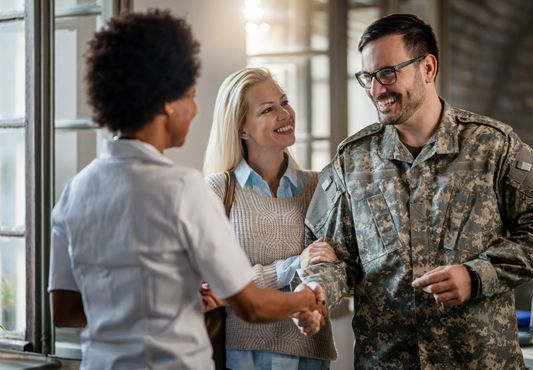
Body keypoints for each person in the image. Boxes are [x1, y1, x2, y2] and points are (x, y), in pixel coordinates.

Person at [47, 11, 326, 370]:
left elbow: (65, 311)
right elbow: (251, 305)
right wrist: (304, 298)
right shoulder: (183, 189)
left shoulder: (74, 191)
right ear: (167, 101)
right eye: (191, 96)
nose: (194, 110)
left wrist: (136, 310)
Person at [292, 13, 533, 369]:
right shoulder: (351, 161)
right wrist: (317, 292)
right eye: (367, 77)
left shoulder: (494, 146)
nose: (375, 89)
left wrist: (478, 276)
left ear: (428, 68)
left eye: (387, 73)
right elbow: (334, 256)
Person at [203, 67, 338, 370]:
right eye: (268, 109)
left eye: (284, 102)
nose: (284, 113)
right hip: (242, 357)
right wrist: (291, 266)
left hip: (311, 354)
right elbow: (213, 285)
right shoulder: (217, 190)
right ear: (241, 129)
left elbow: (336, 268)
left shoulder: (320, 186)